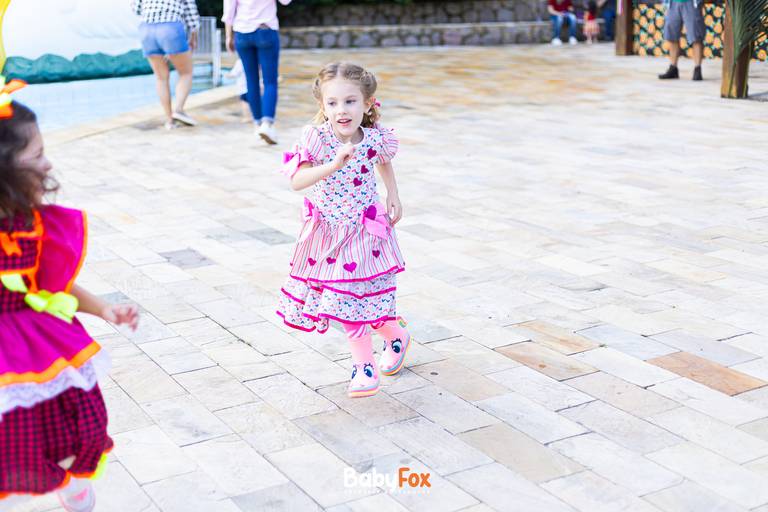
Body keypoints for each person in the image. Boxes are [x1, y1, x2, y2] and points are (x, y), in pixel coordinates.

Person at [0, 86, 139, 511]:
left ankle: (72, 486)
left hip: (40, 346)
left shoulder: (31, 225)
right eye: (38, 154)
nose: (48, 163)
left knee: (66, 427)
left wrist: (104, 309)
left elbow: (51, 285)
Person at [276, 62, 411, 398]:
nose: (342, 110)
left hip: (367, 232)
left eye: (350, 101)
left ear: (367, 103)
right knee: (345, 300)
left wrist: (393, 193)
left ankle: (385, 345)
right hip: (328, 235)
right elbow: (297, 181)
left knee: (365, 300)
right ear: (323, 106)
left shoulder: (375, 137)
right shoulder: (317, 138)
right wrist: (333, 164)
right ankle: (373, 357)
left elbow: (382, 159)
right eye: (333, 103)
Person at [223, 0, 293, 145]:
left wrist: (228, 36)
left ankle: (257, 124)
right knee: (270, 81)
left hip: (242, 33)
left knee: (251, 81)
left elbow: (229, 12)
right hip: (265, 30)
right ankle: (267, 124)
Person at [131, 0, 201, 129]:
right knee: (186, 73)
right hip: (170, 26)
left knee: (161, 78)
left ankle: (169, 120)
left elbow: (136, 8)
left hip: (146, 29)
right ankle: (178, 110)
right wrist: (193, 36)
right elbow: (191, 13)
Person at [658, 0, 705, 81]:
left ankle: (697, 69)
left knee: (696, 35)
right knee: (671, 35)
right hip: (672, 2)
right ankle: (673, 68)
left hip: (691, 2)